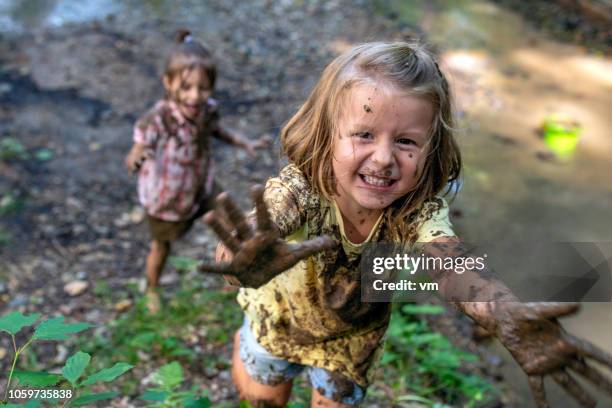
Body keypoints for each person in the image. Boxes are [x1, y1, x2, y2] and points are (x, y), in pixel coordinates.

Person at [199, 42, 612, 407]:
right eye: (363, 134)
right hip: (277, 319)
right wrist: (241, 258)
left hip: (353, 338)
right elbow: (253, 234)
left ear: (431, 150)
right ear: (327, 137)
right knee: (261, 399)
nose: (383, 158)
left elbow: (450, 266)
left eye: (406, 142)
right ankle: (244, 347)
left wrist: (501, 312)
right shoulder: (303, 189)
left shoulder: (412, 209)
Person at [125, 30, 267, 313]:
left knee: (231, 224)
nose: (195, 96)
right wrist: (138, 157)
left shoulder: (207, 109)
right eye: (186, 87)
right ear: (168, 83)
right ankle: (152, 287)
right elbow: (134, 153)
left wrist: (244, 142)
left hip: (202, 184)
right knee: (162, 245)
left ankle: (233, 273)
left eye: (203, 88)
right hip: (167, 196)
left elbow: (215, 130)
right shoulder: (158, 119)